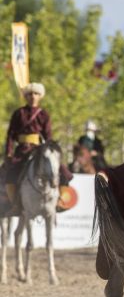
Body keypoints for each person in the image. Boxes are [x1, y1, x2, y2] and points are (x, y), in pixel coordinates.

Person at [3, 83, 73, 213]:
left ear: (40, 96)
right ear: (25, 96)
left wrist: (51, 153)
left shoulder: (43, 114)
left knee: (63, 171)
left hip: (39, 150)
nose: (33, 96)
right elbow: (10, 136)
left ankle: (59, 200)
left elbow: (48, 136)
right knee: (10, 172)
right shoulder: (19, 113)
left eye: (36, 94)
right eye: (29, 94)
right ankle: (15, 205)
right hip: (22, 150)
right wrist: (8, 153)